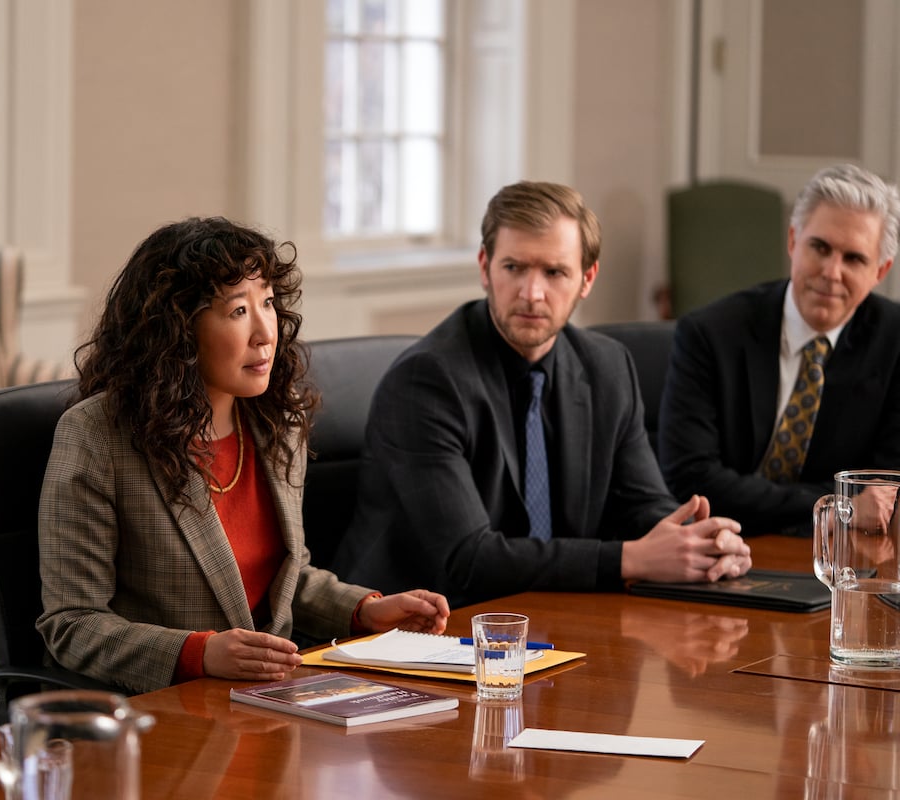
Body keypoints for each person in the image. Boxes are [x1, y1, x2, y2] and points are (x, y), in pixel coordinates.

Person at [37, 216, 450, 695]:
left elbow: (281, 581)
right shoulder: (96, 436)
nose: (264, 333)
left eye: (269, 304)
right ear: (176, 328)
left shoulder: (277, 423)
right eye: (237, 311)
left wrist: (364, 610)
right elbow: (72, 624)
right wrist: (197, 652)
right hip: (167, 712)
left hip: (273, 699)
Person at [331, 181, 751, 608]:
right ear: (484, 267)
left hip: (550, 618)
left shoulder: (606, 367)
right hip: (422, 633)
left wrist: (695, 543)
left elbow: (639, 505)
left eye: (554, 272)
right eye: (513, 267)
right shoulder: (426, 381)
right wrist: (629, 559)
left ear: (587, 279)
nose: (531, 293)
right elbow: (468, 559)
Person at [658, 164, 900, 535]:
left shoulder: (895, 342)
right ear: (792, 241)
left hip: (845, 559)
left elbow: (886, 491)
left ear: (880, 271)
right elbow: (690, 476)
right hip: (721, 542)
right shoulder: (710, 333)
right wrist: (840, 507)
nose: (831, 272)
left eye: (853, 259)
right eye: (819, 247)